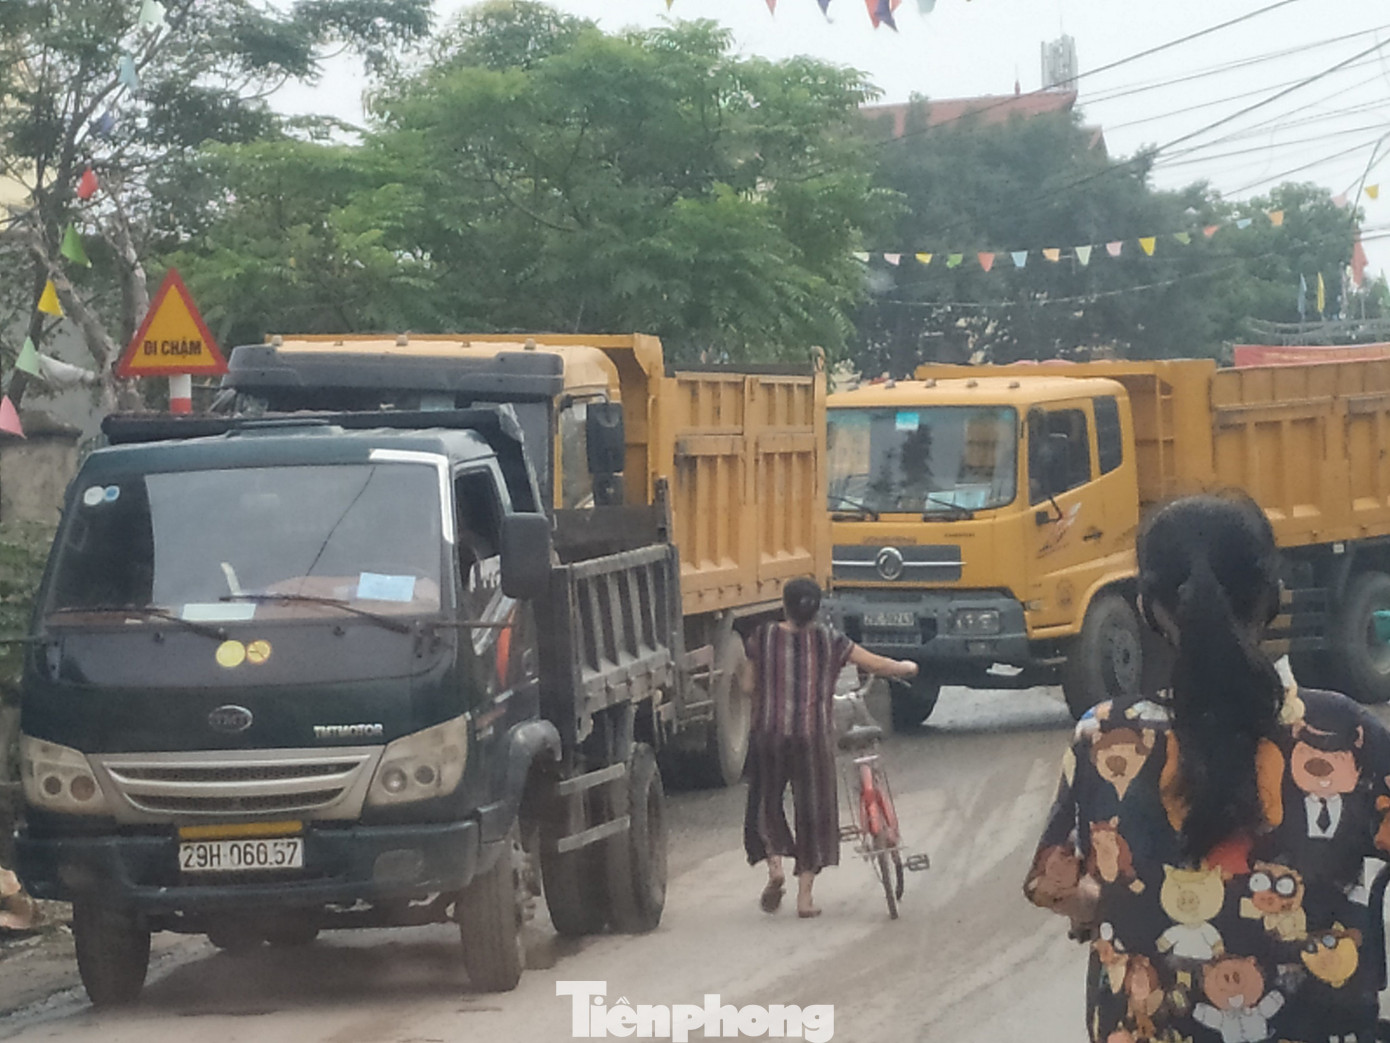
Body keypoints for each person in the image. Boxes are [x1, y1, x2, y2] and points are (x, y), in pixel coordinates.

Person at [1023, 492, 1390, 1043]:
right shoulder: (1344, 733)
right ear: (1274, 597)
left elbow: (1050, 881)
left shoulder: (1103, 737)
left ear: (1147, 607)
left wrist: (1098, 907)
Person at [742, 577, 918, 918]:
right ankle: (805, 899)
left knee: (765, 802)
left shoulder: (762, 637)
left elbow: (748, 685)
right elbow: (876, 664)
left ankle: (775, 868)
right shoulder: (830, 640)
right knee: (814, 813)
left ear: (784, 605)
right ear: (817, 609)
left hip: (769, 734)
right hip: (812, 737)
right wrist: (908, 667)